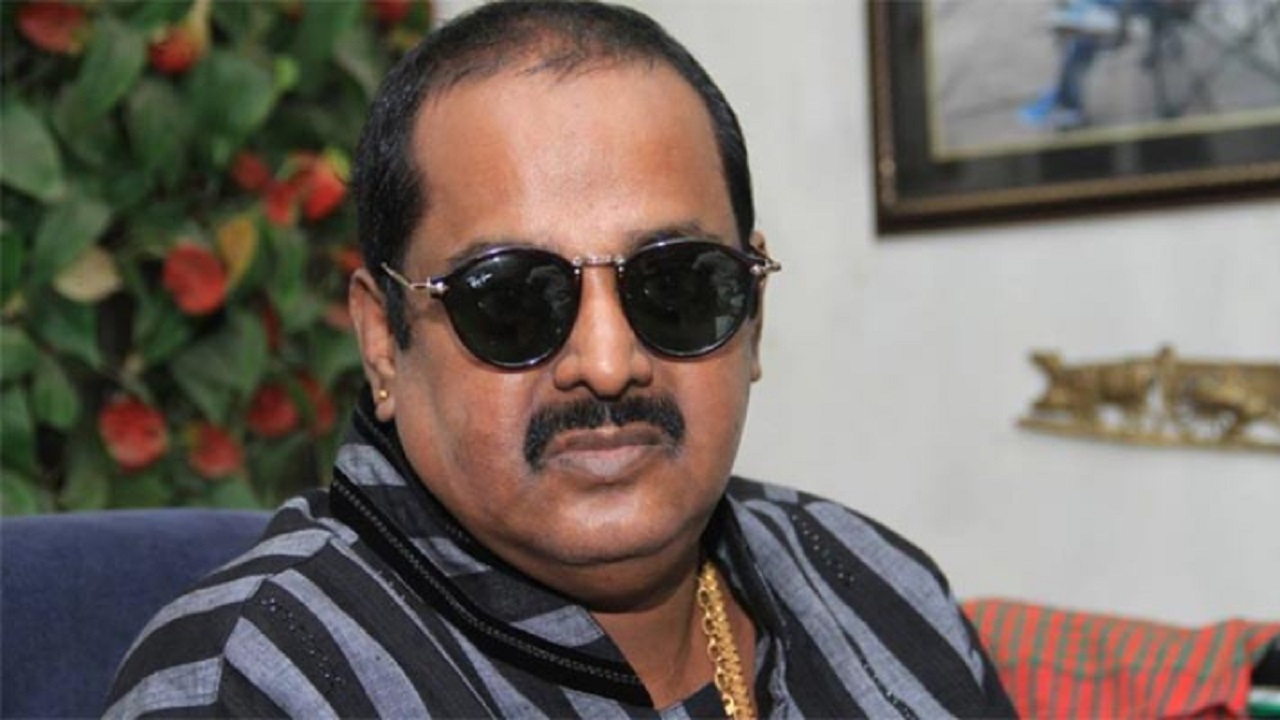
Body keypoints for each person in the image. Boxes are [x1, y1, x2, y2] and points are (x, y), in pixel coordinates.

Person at [106, 2, 1016, 717]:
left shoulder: (876, 587)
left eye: (676, 285)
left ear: (754, 315)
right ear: (383, 339)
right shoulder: (263, 686)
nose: (609, 364)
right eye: (512, 299)